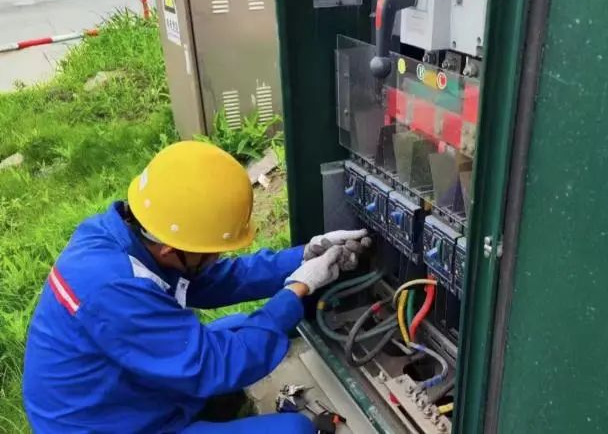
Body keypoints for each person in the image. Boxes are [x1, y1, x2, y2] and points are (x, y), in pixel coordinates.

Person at [23, 141, 370, 433]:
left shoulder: (126, 236)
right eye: (210, 251)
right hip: (106, 425)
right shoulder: (115, 290)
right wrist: (297, 289)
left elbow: (215, 279)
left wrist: (303, 255)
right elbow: (217, 365)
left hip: (117, 392)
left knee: (238, 328)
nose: (217, 256)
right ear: (169, 250)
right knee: (294, 430)